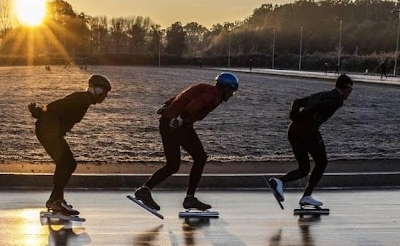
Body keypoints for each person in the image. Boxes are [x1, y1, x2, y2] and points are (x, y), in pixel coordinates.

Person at [132, 72, 240, 213]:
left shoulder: (204, 86)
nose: (231, 95)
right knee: (200, 158)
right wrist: (182, 118)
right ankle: (189, 198)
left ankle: (145, 190)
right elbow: (196, 104)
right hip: (177, 125)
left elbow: (183, 95)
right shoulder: (214, 96)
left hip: (168, 121)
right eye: (231, 91)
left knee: (173, 165)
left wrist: (167, 105)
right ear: (225, 88)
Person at [27, 74, 112, 216]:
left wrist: (39, 113)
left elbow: (58, 107)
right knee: (66, 163)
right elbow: (57, 105)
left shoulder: (84, 99)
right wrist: (38, 112)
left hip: (49, 131)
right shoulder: (82, 99)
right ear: (95, 89)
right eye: (104, 92)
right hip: (48, 131)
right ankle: (57, 200)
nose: (105, 96)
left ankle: (55, 199)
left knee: (68, 163)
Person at [267, 74, 354, 209]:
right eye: (350, 90)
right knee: (322, 162)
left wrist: (295, 116)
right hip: (308, 131)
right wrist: (304, 117)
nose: (350, 93)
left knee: (304, 169)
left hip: (293, 130)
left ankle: (279, 182)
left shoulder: (323, 94)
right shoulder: (337, 100)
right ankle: (306, 196)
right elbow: (318, 106)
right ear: (344, 88)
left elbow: (297, 102)